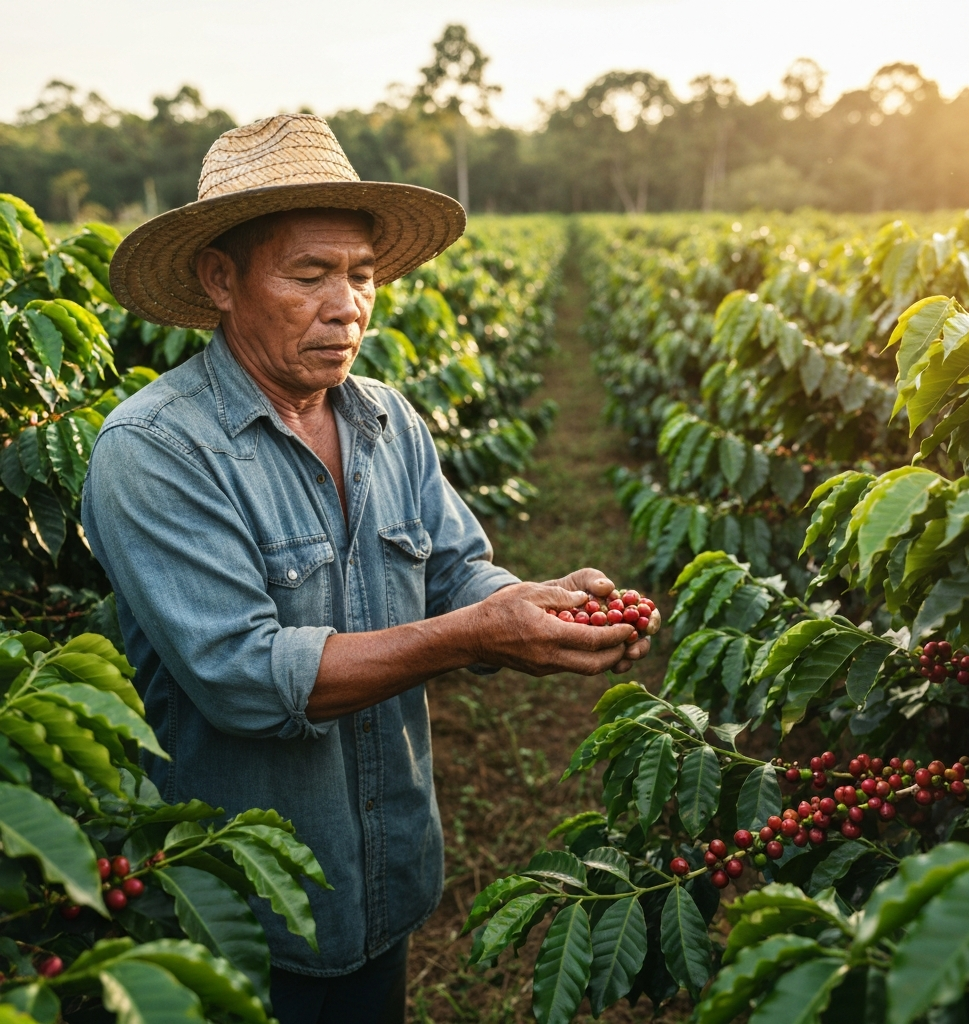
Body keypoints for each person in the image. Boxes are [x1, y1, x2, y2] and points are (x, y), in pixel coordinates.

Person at [82, 113, 649, 1024]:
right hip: (235, 917)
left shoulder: (388, 419)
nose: (346, 305)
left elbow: (459, 568)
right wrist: (474, 636)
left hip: (382, 878)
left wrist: (526, 604)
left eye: (362, 275)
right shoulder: (153, 451)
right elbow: (248, 677)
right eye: (309, 275)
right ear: (220, 280)